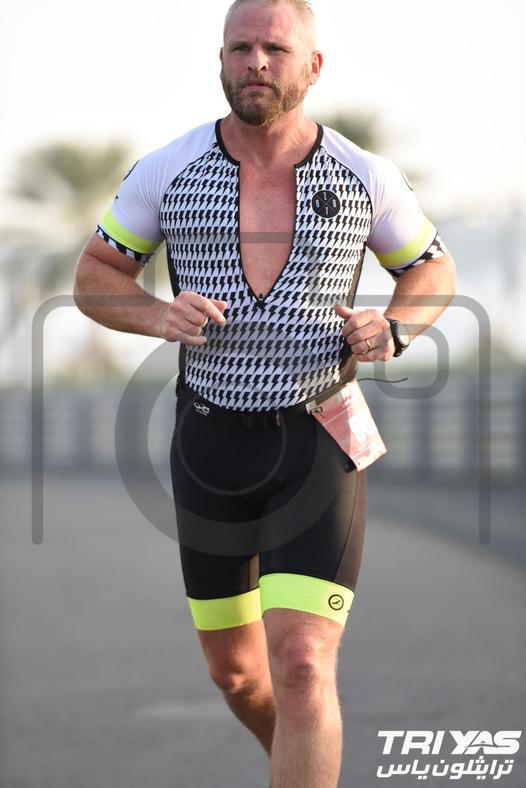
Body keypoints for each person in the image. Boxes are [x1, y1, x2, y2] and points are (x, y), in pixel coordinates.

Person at [74, 0, 456, 785]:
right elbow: (94, 277)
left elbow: (431, 270)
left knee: (304, 661)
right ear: (220, 60)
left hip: (320, 437)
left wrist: (395, 328)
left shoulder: (364, 174)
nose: (255, 62)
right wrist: (156, 314)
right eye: (240, 47)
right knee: (239, 675)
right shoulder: (168, 169)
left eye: (275, 48)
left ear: (313, 65)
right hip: (208, 444)